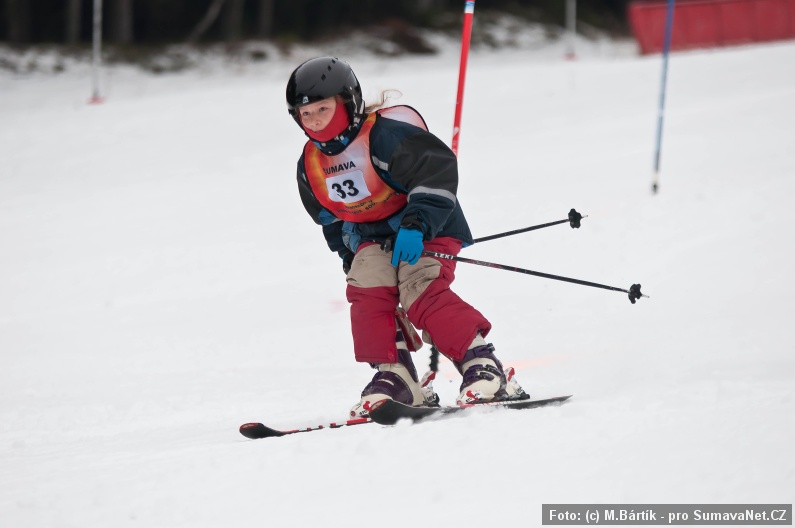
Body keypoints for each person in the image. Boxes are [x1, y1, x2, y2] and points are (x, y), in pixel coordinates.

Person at [286, 56, 528, 416]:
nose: (316, 120)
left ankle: (483, 365)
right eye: (306, 114)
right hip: (371, 237)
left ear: (348, 103)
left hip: (428, 226)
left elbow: (435, 175)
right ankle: (396, 376)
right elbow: (331, 217)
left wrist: (416, 226)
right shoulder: (311, 165)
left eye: (323, 109)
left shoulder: (386, 138)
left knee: (419, 289)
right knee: (367, 292)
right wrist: (348, 256)